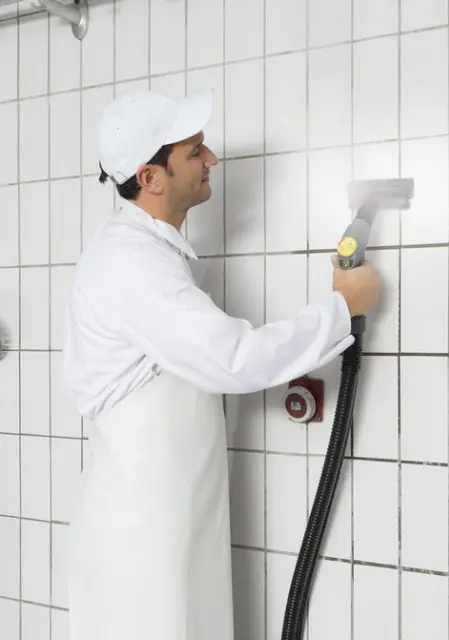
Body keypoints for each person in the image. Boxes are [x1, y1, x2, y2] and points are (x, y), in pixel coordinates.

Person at [62, 88, 380, 640]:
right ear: (151, 177)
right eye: (194, 152)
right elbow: (232, 358)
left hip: (166, 518)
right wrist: (340, 310)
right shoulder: (131, 262)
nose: (212, 159)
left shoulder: (149, 252)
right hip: (143, 530)